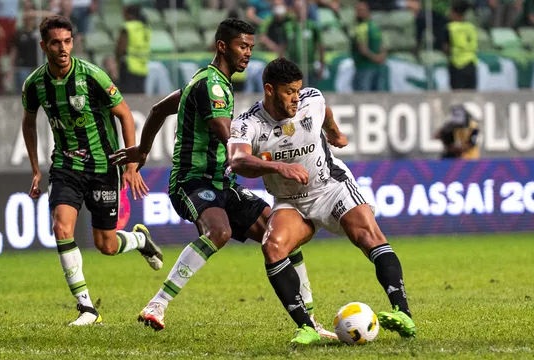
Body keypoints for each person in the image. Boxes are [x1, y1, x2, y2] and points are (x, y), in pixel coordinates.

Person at [111, 19, 335, 338]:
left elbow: (159, 109)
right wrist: (272, 155)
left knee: (282, 234)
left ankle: (310, 321)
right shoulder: (212, 86)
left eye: (251, 48)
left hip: (221, 183)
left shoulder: (209, 81)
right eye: (242, 47)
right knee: (219, 231)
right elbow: (226, 136)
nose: (248, 53)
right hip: (192, 181)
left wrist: (142, 152)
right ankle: (157, 304)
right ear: (222, 46)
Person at [227, 58, 416, 345]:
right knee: (272, 246)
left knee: (367, 234)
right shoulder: (247, 123)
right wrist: (279, 168)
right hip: (290, 199)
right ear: (269, 89)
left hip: (330, 186)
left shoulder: (310, 100)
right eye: (289, 91)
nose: (296, 97)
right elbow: (238, 159)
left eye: (298, 90)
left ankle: (403, 313)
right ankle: (307, 327)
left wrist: (334, 131)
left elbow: (323, 111)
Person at [20, 15, 161, 326]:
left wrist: (130, 164)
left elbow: (125, 115)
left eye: (67, 41)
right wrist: (35, 170)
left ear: (74, 42)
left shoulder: (92, 76)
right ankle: (87, 308)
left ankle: (139, 240)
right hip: (65, 166)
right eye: (55, 43)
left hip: (102, 166)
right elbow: (28, 124)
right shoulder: (35, 85)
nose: (62, 48)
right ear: (44, 46)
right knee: (62, 228)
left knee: (106, 245)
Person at [442, 0, 478, 90]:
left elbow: (446, 48)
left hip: (457, 65)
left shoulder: (450, 28)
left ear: (454, 12)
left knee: (457, 97)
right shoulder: (471, 27)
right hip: (471, 64)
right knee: (470, 97)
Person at [116, 4, 151, 94]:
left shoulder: (127, 27)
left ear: (130, 15)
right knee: (139, 97)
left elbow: (120, 49)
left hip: (129, 67)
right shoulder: (145, 27)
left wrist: (117, 62)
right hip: (143, 67)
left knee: (128, 98)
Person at [351, 1, 386, 92]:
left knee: (365, 97)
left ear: (368, 11)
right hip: (369, 66)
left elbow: (363, 48)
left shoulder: (363, 27)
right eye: (357, 10)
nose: (358, 12)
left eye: (361, 10)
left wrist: (379, 57)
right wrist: (379, 57)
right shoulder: (374, 26)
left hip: (366, 68)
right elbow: (363, 48)